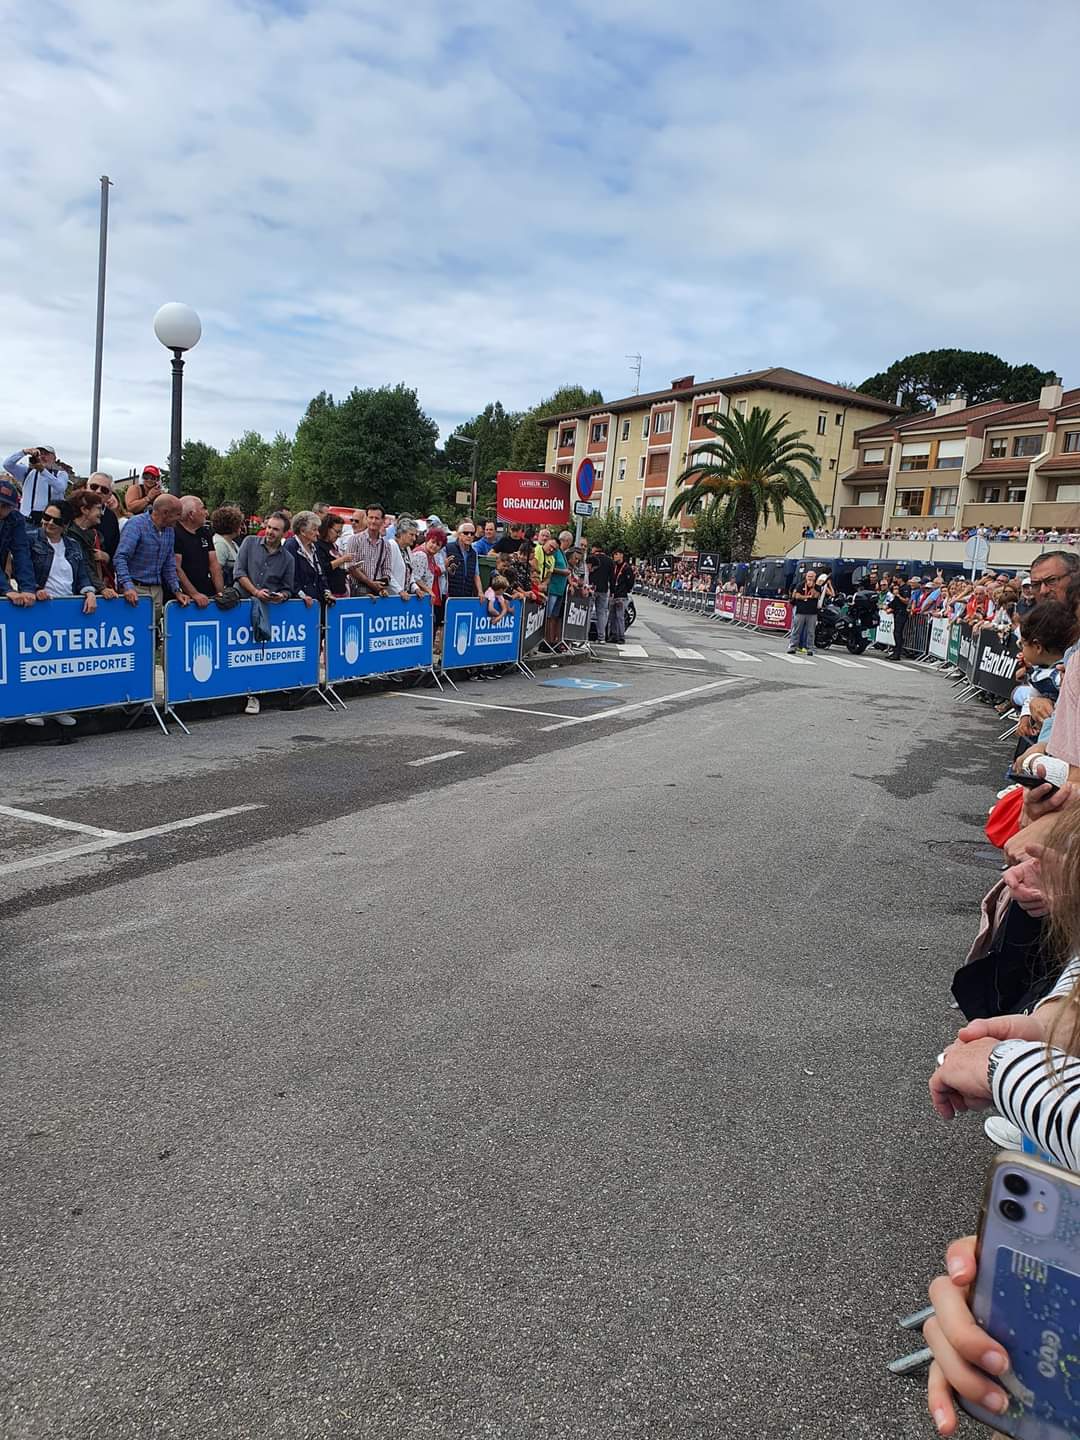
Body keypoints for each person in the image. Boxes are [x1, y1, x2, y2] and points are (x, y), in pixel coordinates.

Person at [234, 513, 313, 714]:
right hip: (242, 604)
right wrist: (255, 592)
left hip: (268, 610)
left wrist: (282, 597)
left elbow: (288, 587)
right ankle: (238, 692)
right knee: (239, 654)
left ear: (284, 533)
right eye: (269, 527)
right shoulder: (249, 543)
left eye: (275, 529)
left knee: (260, 654)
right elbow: (239, 572)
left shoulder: (287, 558)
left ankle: (257, 694)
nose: (270, 532)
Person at [113, 494, 187, 617]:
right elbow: (120, 557)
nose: (179, 518)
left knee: (153, 631)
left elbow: (169, 564)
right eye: (178, 514)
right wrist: (128, 586)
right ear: (165, 512)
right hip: (135, 589)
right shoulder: (135, 525)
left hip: (157, 590)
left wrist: (177, 590)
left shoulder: (170, 530)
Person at [64, 488, 119, 596]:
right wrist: (102, 588)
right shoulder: (69, 536)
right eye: (98, 508)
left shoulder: (95, 534)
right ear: (85, 510)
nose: (101, 514)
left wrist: (106, 558)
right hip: (78, 592)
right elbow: (83, 565)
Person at [173, 495, 224, 607]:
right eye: (202, 508)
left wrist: (221, 593)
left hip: (206, 592)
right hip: (183, 597)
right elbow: (176, 568)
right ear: (191, 514)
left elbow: (214, 565)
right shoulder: (175, 533)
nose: (206, 512)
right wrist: (194, 594)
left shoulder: (205, 532)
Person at [3, 445, 73, 522]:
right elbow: (7, 464)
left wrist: (42, 471)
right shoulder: (27, 472)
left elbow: (60, 487)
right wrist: (24, 452)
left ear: (54, 458)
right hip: (26, 519)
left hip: (49, 520)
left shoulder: (60, 474)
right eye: (40, 454)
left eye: (46, 454)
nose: (42, 457)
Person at [0, 477, 38, 605]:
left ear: (13, 507)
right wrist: (6, 589)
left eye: (5, 506)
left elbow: (21, 553)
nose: (1, 509)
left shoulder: (15, 519)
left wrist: (28, 588)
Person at [342, 504, 393, 594]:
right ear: (366, 519)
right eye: (370, 517)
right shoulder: (354, 539)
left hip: (378, 592)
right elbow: (350, 567)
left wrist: (383, 584)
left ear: (382, 521)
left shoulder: (386, 544)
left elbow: (386, 569)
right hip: (358, 591)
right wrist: (371, 584)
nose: (373, 521)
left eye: (377, 518)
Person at [284, 511, 330, 605]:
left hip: (316, 601)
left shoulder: (315, 546)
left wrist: (327, 592)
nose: (317, 533)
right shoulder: (291, 546)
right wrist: (302, 595)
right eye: (314, 529)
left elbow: (321, 573)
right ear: (302, 531)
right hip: (299, 602)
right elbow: (290, 576)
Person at [314, 512, 351, 599]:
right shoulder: (318, 545)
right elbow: (323, 568)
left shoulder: (333, 545)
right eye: (337, 531)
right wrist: (342, 559)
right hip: (329, 594)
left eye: (340, 532)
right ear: (327, 528)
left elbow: (336, 569)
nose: (339, 535)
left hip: (341, 591)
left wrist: (347, 570)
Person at [84, 472, 122, 557]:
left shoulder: (111, 518)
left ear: (110, 495)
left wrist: (106, 557)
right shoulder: (71, 509)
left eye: (104, 490)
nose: (98, 491)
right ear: (86, 487)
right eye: (94, 487)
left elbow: (115, 551)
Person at [210, 505, 246, 587]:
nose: (241, 527)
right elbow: (216, 572)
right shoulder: (220, 544)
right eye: (239, 524)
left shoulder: (232, 543)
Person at [788, 570, 819, 655]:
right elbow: (797, 596)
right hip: (800, 611)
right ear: (806, 577)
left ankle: (810, 648)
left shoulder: (817, 586)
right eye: (809, 576)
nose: (810, 578)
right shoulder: (800, 585)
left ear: (815, 578)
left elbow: (816, 595)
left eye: (812, 577)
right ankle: (793, 646)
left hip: (812, 612)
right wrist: (807, 596)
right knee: (797, 630)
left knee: (811, 632)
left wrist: (812, 587)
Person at [588, 542, 613, 643]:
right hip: (603, 589)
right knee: (601, 613)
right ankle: (601, 637)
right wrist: (612, 590)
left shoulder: (591, 558)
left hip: (591, 587)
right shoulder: (610, 561)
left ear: (595, 549)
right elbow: (612, 577)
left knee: (588, 612)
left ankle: (585, 635)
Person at [609, 547, 635, 642]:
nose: (615, 557)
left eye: (616, 555)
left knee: (620, 616)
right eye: (614, 555)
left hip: (621, 595)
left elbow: (630, 581)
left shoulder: (626, 568)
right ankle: (613, 635)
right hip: (614, 594)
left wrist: (626, 590)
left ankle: (621, 636)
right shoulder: (614, 566)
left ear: (621, 555)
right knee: (612, 616)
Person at [887, 575, 911, 660]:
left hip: (902, 613)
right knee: (896, 633)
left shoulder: (906, 588)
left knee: (898, 633)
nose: (895, 579)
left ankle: (897, 654)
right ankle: (895, 651)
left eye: (897, 578)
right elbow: (895, 602)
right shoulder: (899, 588)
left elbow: (906, 601)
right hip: (896, 612)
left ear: (901, 579)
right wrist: (889, 606)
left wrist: (898, 596)